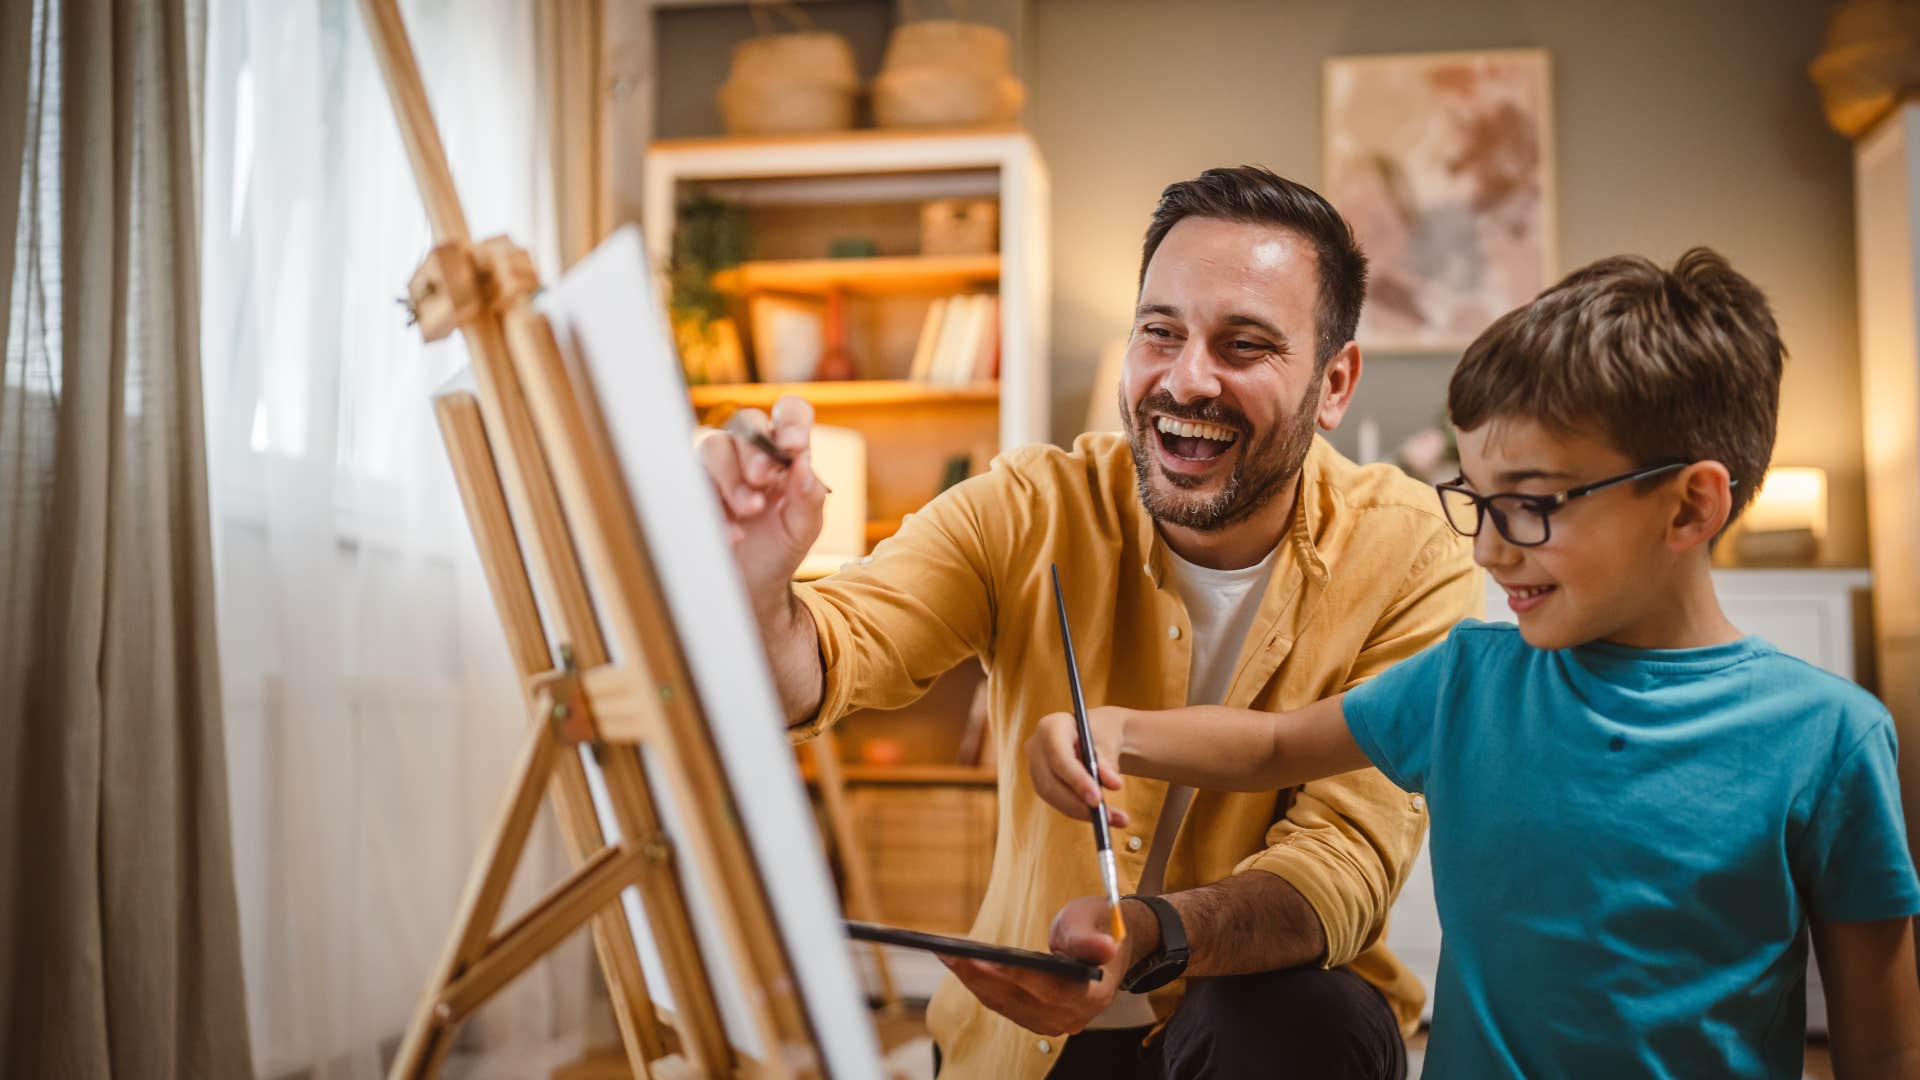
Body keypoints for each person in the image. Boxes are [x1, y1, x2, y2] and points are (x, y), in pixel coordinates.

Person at [1026, 248, 1920, 1078]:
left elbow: (1879, 1044)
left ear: (1689, 509)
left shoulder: (1829, 742)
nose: (1489, 552)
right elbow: (1272, 747)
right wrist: (1117, 730)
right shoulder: (1468, 680)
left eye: (1530, 508)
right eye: (1475, 502)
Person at [700, 165, 1478, 1079]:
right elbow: (826, 663)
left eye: (1244, 345)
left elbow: (1343, 867)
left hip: (1262, 1024)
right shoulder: (1027, 505)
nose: (1188, 379)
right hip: (1031, 1039)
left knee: (1295, 1014)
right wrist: (757, 588)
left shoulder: (1418, 550)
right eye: (1160, 332)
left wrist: (1148, 936)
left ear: (1334, 381)